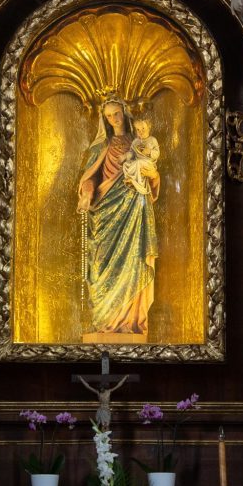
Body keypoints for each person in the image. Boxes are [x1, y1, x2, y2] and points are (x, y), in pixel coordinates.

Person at [76, 99, 159, 339]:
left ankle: (131, 322)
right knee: (102, 264)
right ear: (104, 119)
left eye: (117, 113)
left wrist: (154, 175)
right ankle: (107, 319)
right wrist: (87, 194)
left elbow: (151, 174)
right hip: (106, 211)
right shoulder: (101, 146)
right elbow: (90, 177)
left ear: (124, 113)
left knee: (134, 260)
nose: (114, 119)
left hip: (135, 207)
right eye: (109, 116)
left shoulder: (139, 142)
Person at [121, 115, 161, 197]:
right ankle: (129, 179)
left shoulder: (152, 140)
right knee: (125, 165)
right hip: (138, 162)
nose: (141, 132)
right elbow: (131, 152)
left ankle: (139, 184)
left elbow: (157, 153)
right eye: (138, 129)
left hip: (148, 163)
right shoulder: (135, 141)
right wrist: (127, 155)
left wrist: (149, 152)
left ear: (148, 128)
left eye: (143, 129)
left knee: (138, 163)